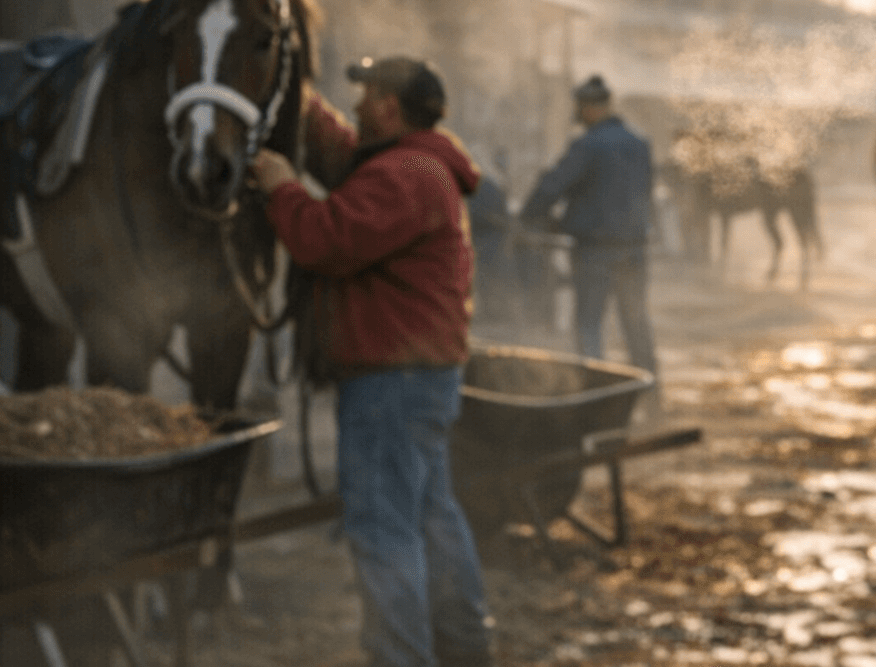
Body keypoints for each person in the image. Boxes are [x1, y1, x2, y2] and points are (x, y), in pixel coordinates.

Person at [249, 56, 493, 667]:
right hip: (417, 378)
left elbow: (326, 240)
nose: (354, 109)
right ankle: (464, 649)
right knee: (433, 516)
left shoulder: (408, 171)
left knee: (383, 532)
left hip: (391, 382)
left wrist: (281, 184)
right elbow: (349, 160)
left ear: (389, 106)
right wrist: (298, 97)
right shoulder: (417, 163)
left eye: (365, 99)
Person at [519, 74, 657, 378]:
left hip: (595, 251)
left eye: (580, 108)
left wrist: (526, 217)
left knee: (589, 326)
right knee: (636, 325)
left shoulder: (589, 145)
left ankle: (597, 392)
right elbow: (646, 194)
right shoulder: (640, 143)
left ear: (590, 108)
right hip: (634, 250)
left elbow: (552, 187)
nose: (578, 115)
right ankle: (650, 396)